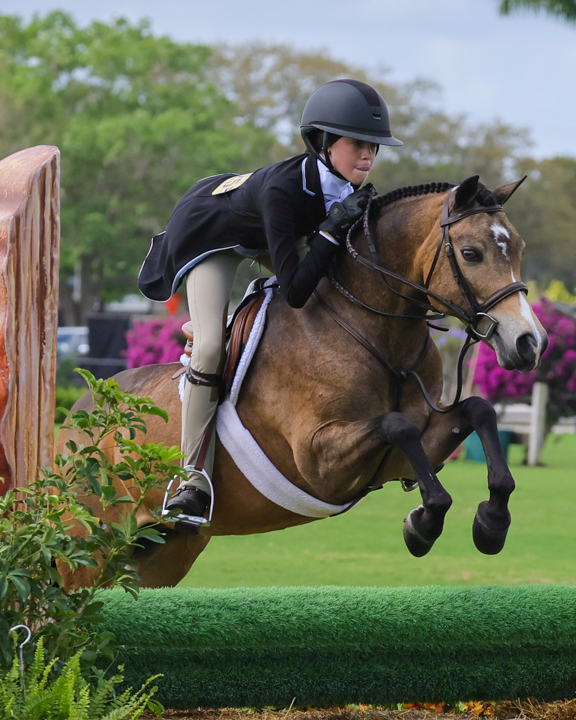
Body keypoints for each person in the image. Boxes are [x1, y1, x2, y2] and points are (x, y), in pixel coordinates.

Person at [137, 78, 402, 527]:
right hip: (209, 232)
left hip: (260, 229)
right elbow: (296, 290)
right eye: (358, 143)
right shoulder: (282, 191)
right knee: (208, 351)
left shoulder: (346, 190)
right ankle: (191, 482)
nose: (368, 155)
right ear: (322, 142)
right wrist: (330, 230)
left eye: (375, 147)